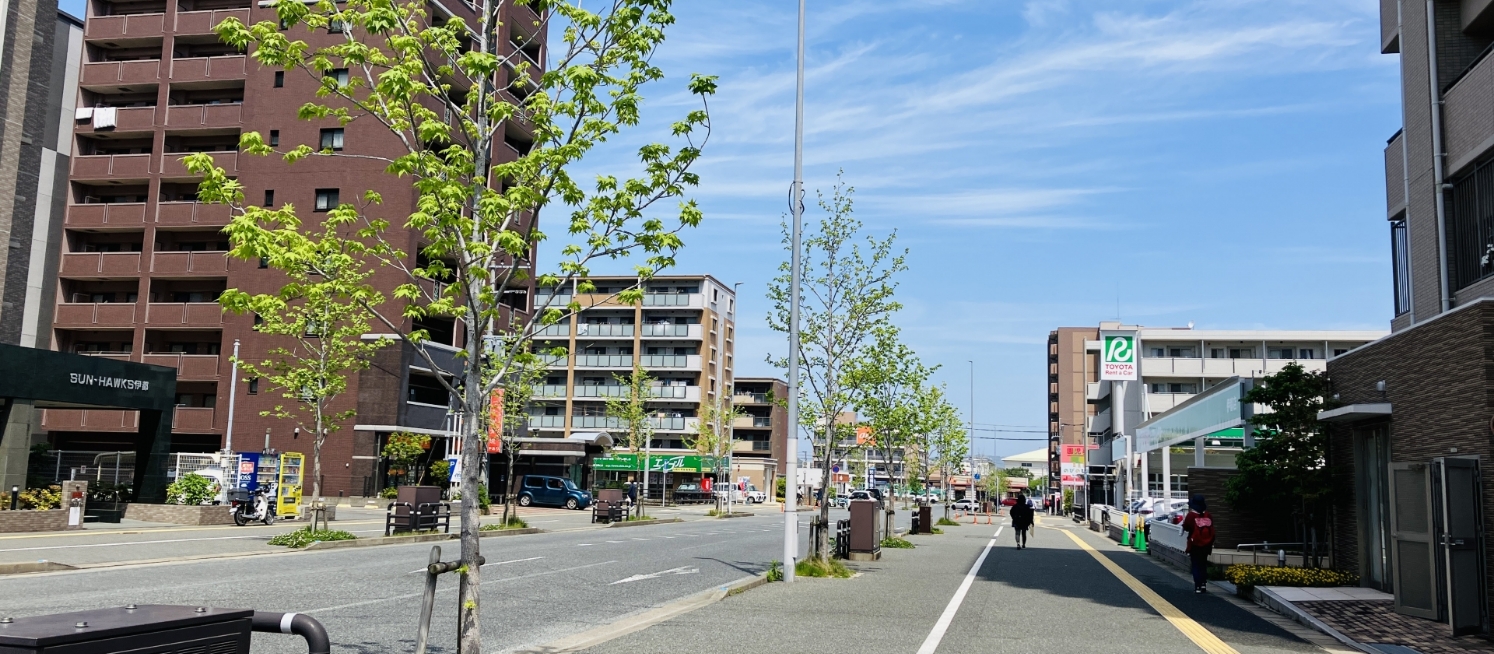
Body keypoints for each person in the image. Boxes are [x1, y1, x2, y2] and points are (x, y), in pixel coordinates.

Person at [1181, 494, 1215, 594]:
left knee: (1195, 564)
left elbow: (1186, 527)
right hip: (1206, 544)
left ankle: (1198, 586)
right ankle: (1204, 584)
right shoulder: (1208, 515)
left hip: (1195, 544)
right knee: (1203, 564)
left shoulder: (1191, 515)